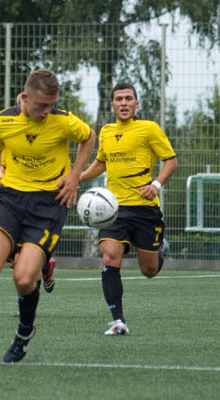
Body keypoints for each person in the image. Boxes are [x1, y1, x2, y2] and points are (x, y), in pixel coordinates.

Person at [0, 69, 96, 364]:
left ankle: (24, 332)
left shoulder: (64, 121)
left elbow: (89, 137)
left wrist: (75, 175)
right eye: (41, 105)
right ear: (24, 97)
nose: (47, 111)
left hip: (48, 204)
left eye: (51, 105)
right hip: (9, 199)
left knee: (23, 279)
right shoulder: (1, 121)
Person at [79, 82, 178, 336]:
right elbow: (101, 163)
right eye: (119, 99)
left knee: (149, 270)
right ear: (112, 104)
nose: (124, 103)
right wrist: (76, 177)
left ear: (136, 103)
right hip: (113, 210)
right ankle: (118, 321)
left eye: (128, 99)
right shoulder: (106, 132)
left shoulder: (149, 129)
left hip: (145, 210)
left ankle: (160, 249)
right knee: (110, 257)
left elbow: (171, 161)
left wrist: (156, 185)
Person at [0, 94, 57, 294]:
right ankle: (45, 267)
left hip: (36, 200)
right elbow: (2, 164)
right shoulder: (10, 135)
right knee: (13, 260)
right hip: (11, 198)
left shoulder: (45, 135)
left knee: (24, 260)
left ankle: (37, 281)